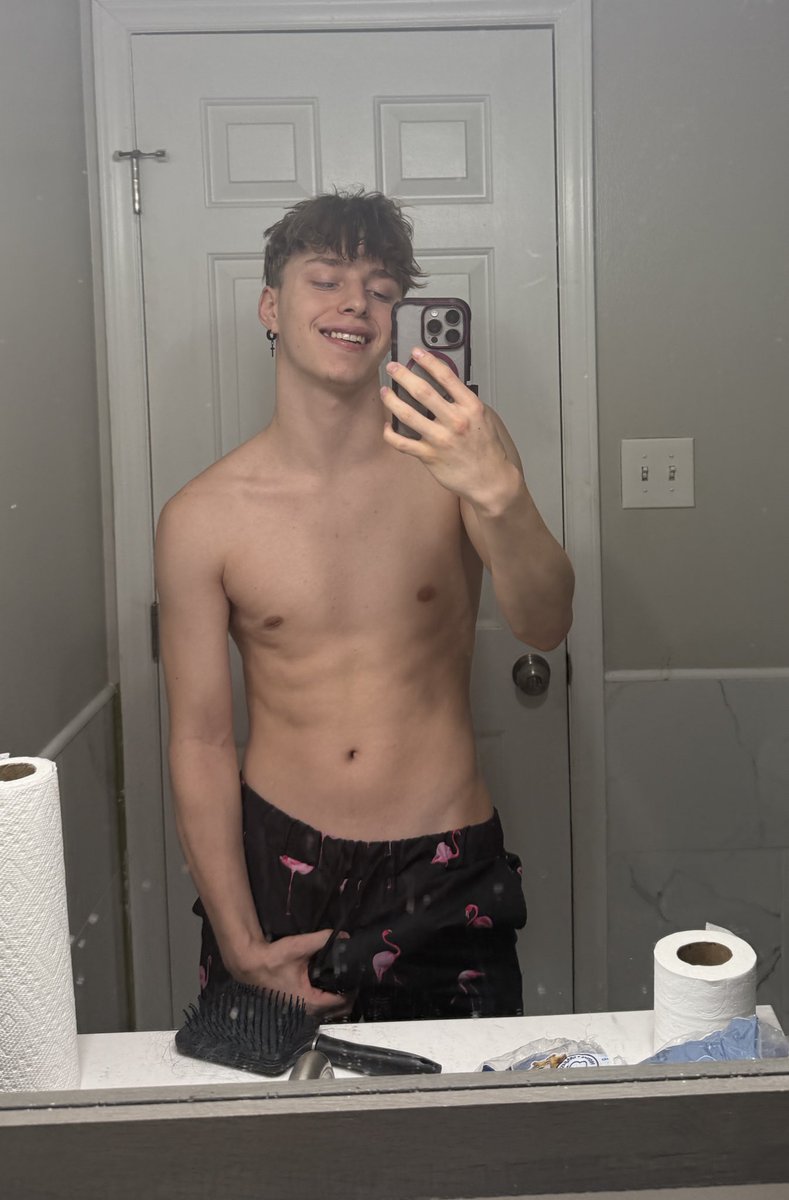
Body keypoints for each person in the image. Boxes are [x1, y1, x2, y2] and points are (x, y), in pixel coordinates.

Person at [155, 189, 574, 1023]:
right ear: (270, 307)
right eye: (326, 280)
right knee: (281, 1105)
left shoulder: (457, 457)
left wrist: (502, 497)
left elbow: (545, 623)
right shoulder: (202, 516)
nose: (355, 302)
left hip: (444, 864)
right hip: (280, 867)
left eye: (381, 289)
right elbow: (200, 740)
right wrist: (237, 939)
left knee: (465, 1104)